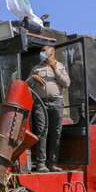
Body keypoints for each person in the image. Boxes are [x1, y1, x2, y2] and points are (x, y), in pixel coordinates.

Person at [26, 45, 71, 173]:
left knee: (56, 133)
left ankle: (52, 163)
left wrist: (55, 69)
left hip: (57, 102)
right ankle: (41, 164)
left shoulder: (60, 66)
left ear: (51, 52)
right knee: (41, 132)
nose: (41, 53)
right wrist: (33, 78)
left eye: (43, 50)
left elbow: (66, 83)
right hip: (40, 103)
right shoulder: (36, 68)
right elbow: (26, 84)